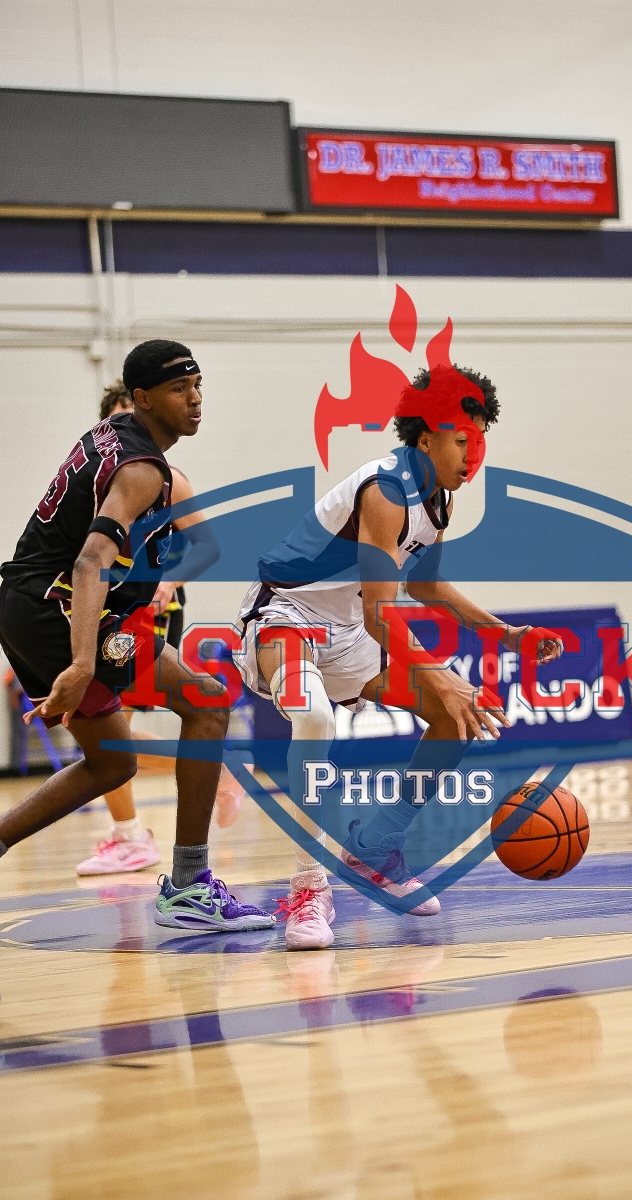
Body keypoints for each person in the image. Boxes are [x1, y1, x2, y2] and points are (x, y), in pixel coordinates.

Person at [239, 362, 563, 950]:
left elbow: (425, 585)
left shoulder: (439, 501)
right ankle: (309, 889)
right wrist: (439, 674)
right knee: (314, 716)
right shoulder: (386, 491)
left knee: (454, 718)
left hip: (346, 629)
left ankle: (375, 847)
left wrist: (505, 634)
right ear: (426, 437)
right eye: (462, 439)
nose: (473, 453)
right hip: (285, 615)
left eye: (479, 438)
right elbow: (380, 613)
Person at [0, 340, 273, 932]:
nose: (195, 399)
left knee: (112, 763)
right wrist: (80, 664)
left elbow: (194, 547)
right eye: (179, 389)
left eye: (197, 386)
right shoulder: (145, 470)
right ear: (143, 398)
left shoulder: (111, 436)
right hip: (61, 610)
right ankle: (190, 887)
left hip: (29, 604)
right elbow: (90, 561)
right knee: (206, 703)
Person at [74, 383, 242, 876]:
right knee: (105, 726)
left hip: (146, 607)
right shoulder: (101, 476)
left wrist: (168, 583)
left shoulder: (166, 476)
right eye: (119, 417)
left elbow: (208, 547)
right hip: (105, 608)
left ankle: (132, 834)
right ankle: (141, 825)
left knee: (107, 724)